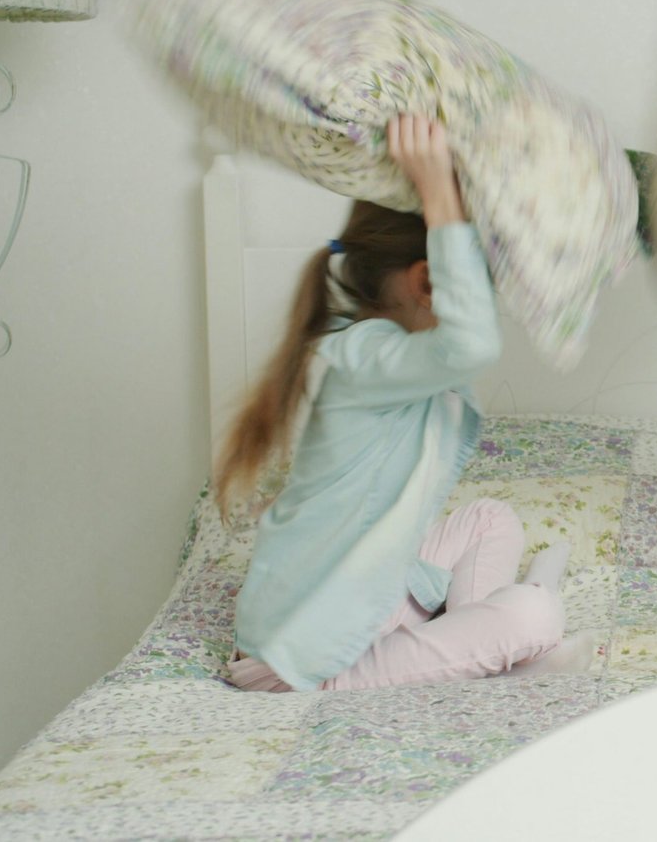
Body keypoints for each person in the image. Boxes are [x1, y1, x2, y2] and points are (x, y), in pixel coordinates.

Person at [215, 114, 571, 692]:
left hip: (361, 602)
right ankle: (501, 640)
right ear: (429, 282)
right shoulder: (361, 357)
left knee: (491, 518)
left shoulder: (384, 354)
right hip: (302, 659)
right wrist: (437, 195)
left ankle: (471, 637)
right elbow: (471, 343)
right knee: (536, 615)